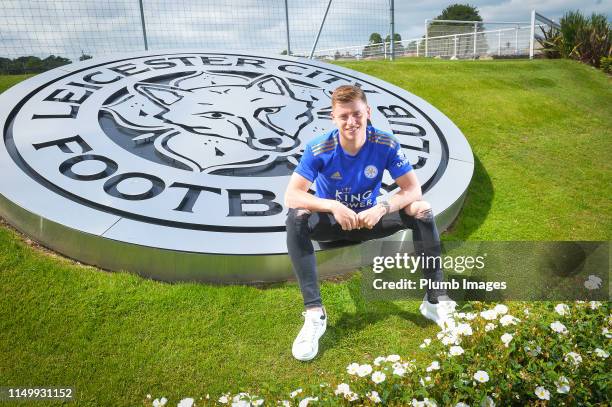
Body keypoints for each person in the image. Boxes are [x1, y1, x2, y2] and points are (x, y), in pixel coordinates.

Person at [284, 85, 456, 361]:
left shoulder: (385, 143)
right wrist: (332, 205)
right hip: (333, 223)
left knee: (421, 209)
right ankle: (315, 312)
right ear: (333, 117)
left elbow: (412, 190)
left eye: (356, 114)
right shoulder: (319, 148)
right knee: (296, 216)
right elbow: (292, 195)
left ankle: (435, 300)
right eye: (344, 116)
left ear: (367, 112)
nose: (351, 122)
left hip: (369, 220)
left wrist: (382, 207)